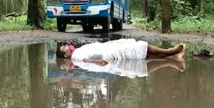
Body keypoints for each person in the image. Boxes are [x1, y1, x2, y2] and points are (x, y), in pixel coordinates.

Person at [56, 38, 186, 66]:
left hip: (107, 48)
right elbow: (84, 60)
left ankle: (170, 58)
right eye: (64, 48)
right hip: (109, 53)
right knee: (137, 47)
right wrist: (97, 62)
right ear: (66, 55)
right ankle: (169, 52)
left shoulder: (77, 51)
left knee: (140, 55)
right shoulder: (75, 56)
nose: (67, 45)